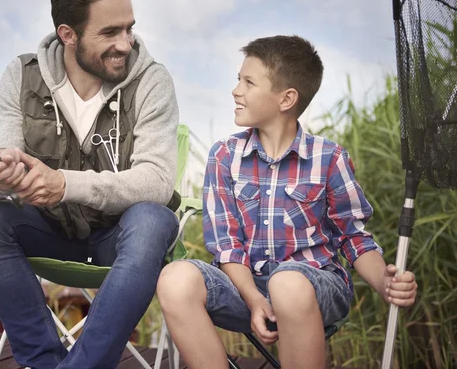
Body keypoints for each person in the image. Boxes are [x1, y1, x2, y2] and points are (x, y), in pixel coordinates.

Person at [0, 0, 180, 368]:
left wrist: (64, 184)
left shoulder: (152, 81)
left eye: (129, 29)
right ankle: (42, 361)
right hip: (49, 233)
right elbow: (1, 171)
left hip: (120, 239)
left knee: (154, 219)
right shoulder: (20, 76)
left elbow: (157, 182)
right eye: (109, 32)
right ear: (68, 34)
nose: (125, 44)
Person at [156, 35, 418, 369]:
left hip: (315, 286)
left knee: (287, 282)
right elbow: (227, 248)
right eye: (238, 80)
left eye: (248, 82)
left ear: (286, 99)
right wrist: (253, 300)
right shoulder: (224, 156)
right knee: (175, 278)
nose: (236, 90)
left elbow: (353, 238)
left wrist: (384, 282)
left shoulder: (330, 158)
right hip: (244, 287)